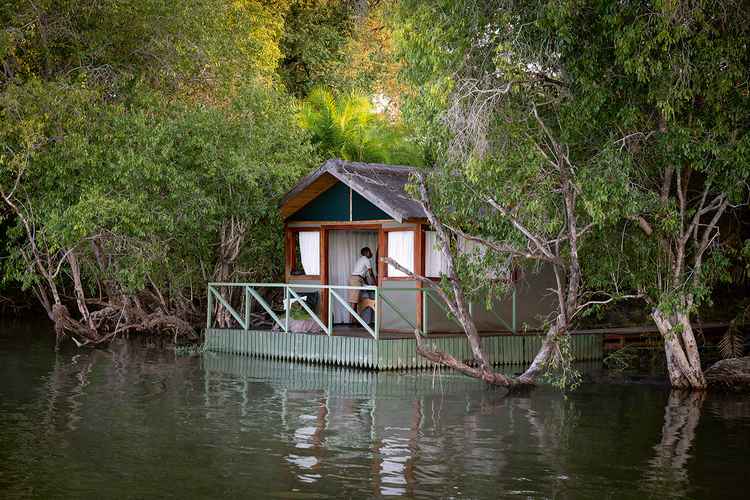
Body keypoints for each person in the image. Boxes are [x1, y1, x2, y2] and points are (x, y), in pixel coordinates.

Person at [348, 247, 375, 324]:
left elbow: (365, 276)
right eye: (370, 251)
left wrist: (368, 285)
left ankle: (354, 320)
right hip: (356, 279)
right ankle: (352, 322)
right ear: (366, 252)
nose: (371, 253)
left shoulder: (361, 260)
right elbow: (371, 273)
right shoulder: (366, 259)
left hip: (356, 279)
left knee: (355, 301)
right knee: (354, 301)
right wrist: (375, 283)